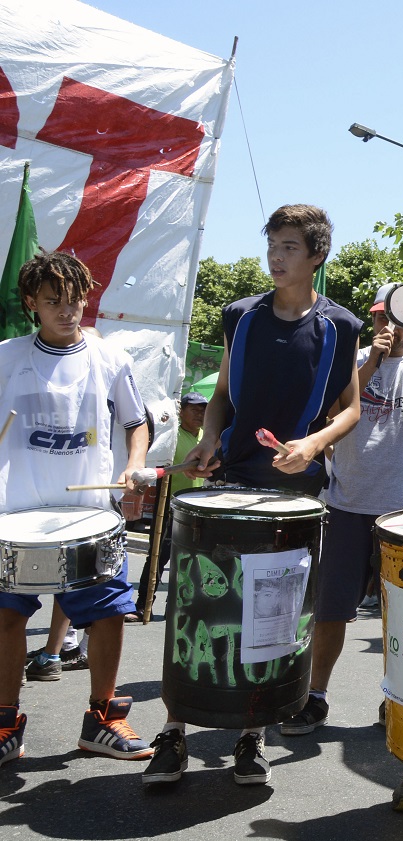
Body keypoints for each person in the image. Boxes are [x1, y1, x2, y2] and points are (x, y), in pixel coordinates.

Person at [143, 204, 362, 787]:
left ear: (317, 255)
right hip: (231, 479)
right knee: (198, 607)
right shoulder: (239, 316)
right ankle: (175, 733)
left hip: (296, 491)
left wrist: (312, 445)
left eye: (289, 246)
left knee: (270, 617)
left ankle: (250, 737)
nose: (276, 256)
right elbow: (220, 396)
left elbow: (352, 410)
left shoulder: (340, 327)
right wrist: (210, 438)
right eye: (272, 244)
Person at [0, 250, 153, 768]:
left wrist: (135, 465)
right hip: (15, 512)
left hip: (88, 512)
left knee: (109, 615)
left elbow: (136, 422)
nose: (68, 311)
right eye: (53, 302)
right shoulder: (5, 356)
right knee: (4, 619)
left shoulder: (111, 358)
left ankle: (102, 718)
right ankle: (4, 723)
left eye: (75, 300)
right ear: (31, 304)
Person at [279, 281, 403, 737]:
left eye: (395, 318)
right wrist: (370, 362)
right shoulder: (353, 358)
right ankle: (316, 696)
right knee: (330, 610)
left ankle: (399, 698)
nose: (386, 326)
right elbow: (326, 415)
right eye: (380, 317)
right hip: (346, 502)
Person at [128, 390, 208, 621]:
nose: (199, 414)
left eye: (203, 410)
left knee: (191, 563)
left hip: (194, 510)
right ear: (181, 412)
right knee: (157, 558)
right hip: (168, 509)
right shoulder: (171, 438)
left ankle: (181, 607)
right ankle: (144, 606)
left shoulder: (206, 438)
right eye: (194, 409)